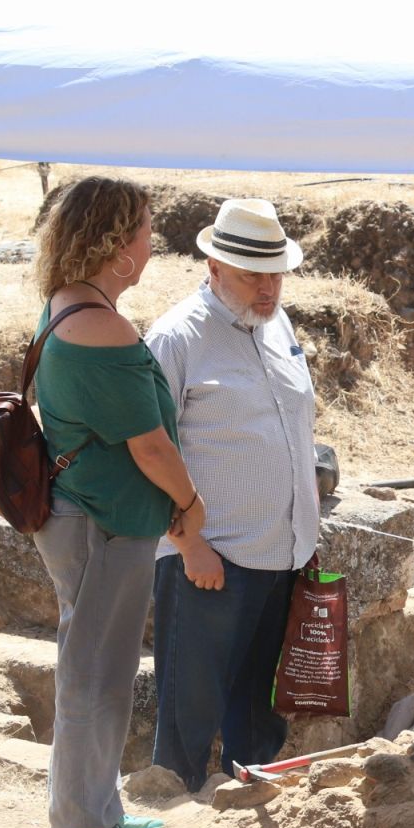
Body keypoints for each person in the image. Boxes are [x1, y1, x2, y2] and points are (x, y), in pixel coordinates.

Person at [31, 177, 206, 828]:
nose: (151, 244)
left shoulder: (68, 304)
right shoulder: (103, 328)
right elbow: (151, 447)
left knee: (92, 667)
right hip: (103, 525)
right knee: (99, 677)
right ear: (116, 244)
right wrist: (190, 506)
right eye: (145, 231)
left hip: (88, 516)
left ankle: (90, 811)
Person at [145, 199, 319, 791]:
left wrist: (304, 529)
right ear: (214, 267)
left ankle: (249, 808)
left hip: (282, 554)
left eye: (276, 274)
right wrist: (189, 545)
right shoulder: (176, 338)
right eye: (252, 276)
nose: (268, 288)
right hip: (209, 561)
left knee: (258, 714)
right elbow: (150, 452)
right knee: (189, 714)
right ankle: (175, 816)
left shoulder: (278, 324)